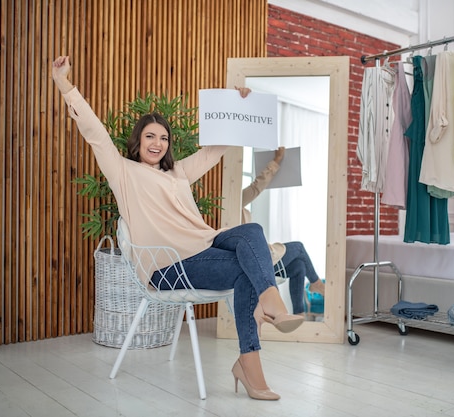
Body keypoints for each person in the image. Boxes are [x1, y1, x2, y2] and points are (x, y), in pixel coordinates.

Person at [51, 56, 303, 401]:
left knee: (252, 230)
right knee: (249, 269)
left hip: (204, 248)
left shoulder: (178, 174)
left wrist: (236, 103)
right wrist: (64, 82)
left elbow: (216, 148)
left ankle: (266, 309)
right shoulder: (123, 172)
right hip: (166, 268)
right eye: (150, 136)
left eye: (164, 138)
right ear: (138, 140)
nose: (158, 143)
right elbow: (93, 131)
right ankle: (253, 353)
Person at [241, 147, 325, 315]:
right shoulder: (233, 200)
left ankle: (299, 313)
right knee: (299, 247)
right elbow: (258, 185)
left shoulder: (234, 202)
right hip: (256, 262)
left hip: (260, 260)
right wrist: (276, 161)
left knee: (299, 266)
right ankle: (316, 282)